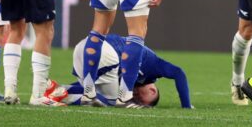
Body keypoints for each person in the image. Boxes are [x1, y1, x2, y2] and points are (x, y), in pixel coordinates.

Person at [58, 33, 191, 108]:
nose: (135, 97)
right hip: (106, 52)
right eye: (140, 98)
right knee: (111, 101)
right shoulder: (153, 64)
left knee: (93, 92)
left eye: (137, 100)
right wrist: (186, 106)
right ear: (152, 90)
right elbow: (179, 73)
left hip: (85, 47)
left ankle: (57, 89)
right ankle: (65, 97)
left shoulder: (126, 81)